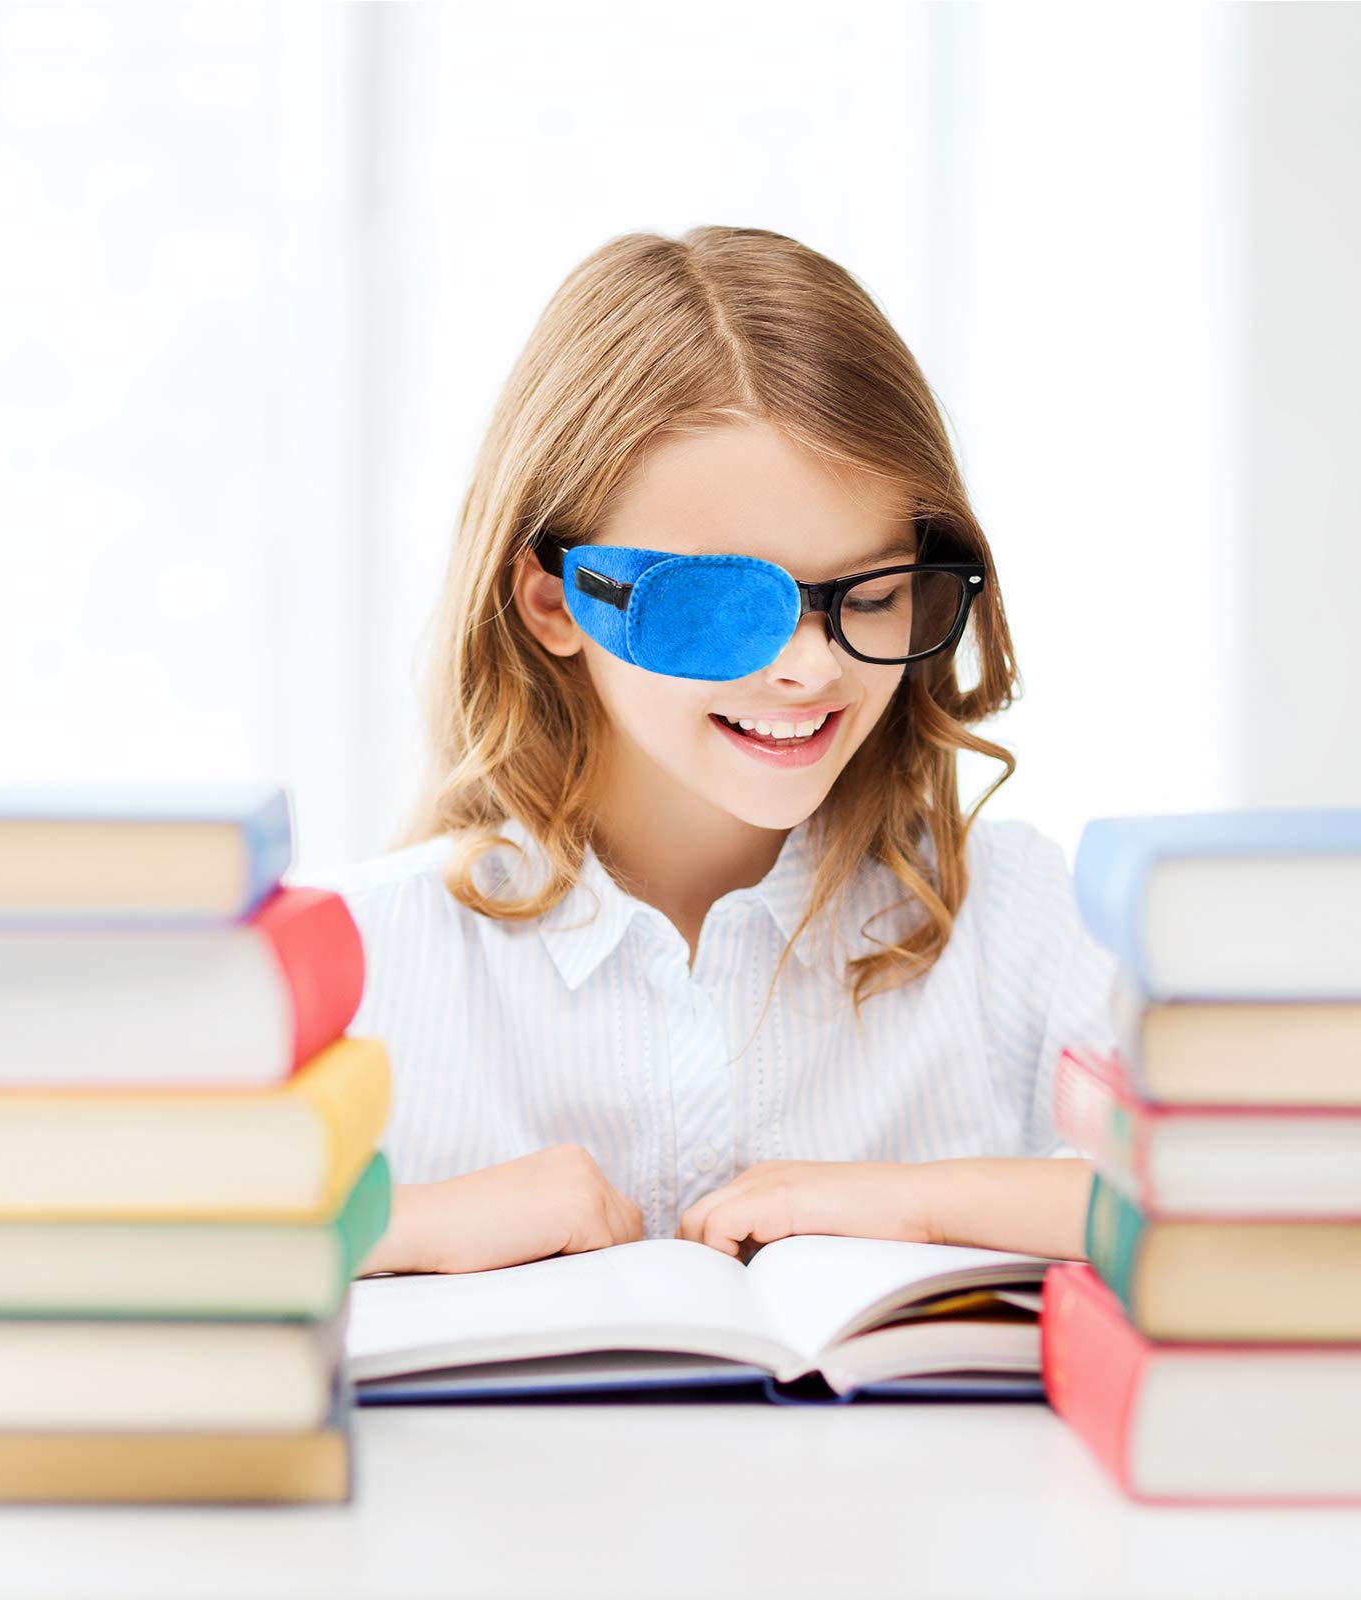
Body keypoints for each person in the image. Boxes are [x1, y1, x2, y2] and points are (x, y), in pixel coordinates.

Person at [302, 225, 1120, 1278]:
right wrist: (395, 1226)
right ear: (554, 599)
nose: (811, 668)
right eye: (729, 606)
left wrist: (921, 1204)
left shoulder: (1015, 920)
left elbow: (1254, 1207)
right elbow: (123, 1259)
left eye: (874, 594)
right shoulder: (362, 961)